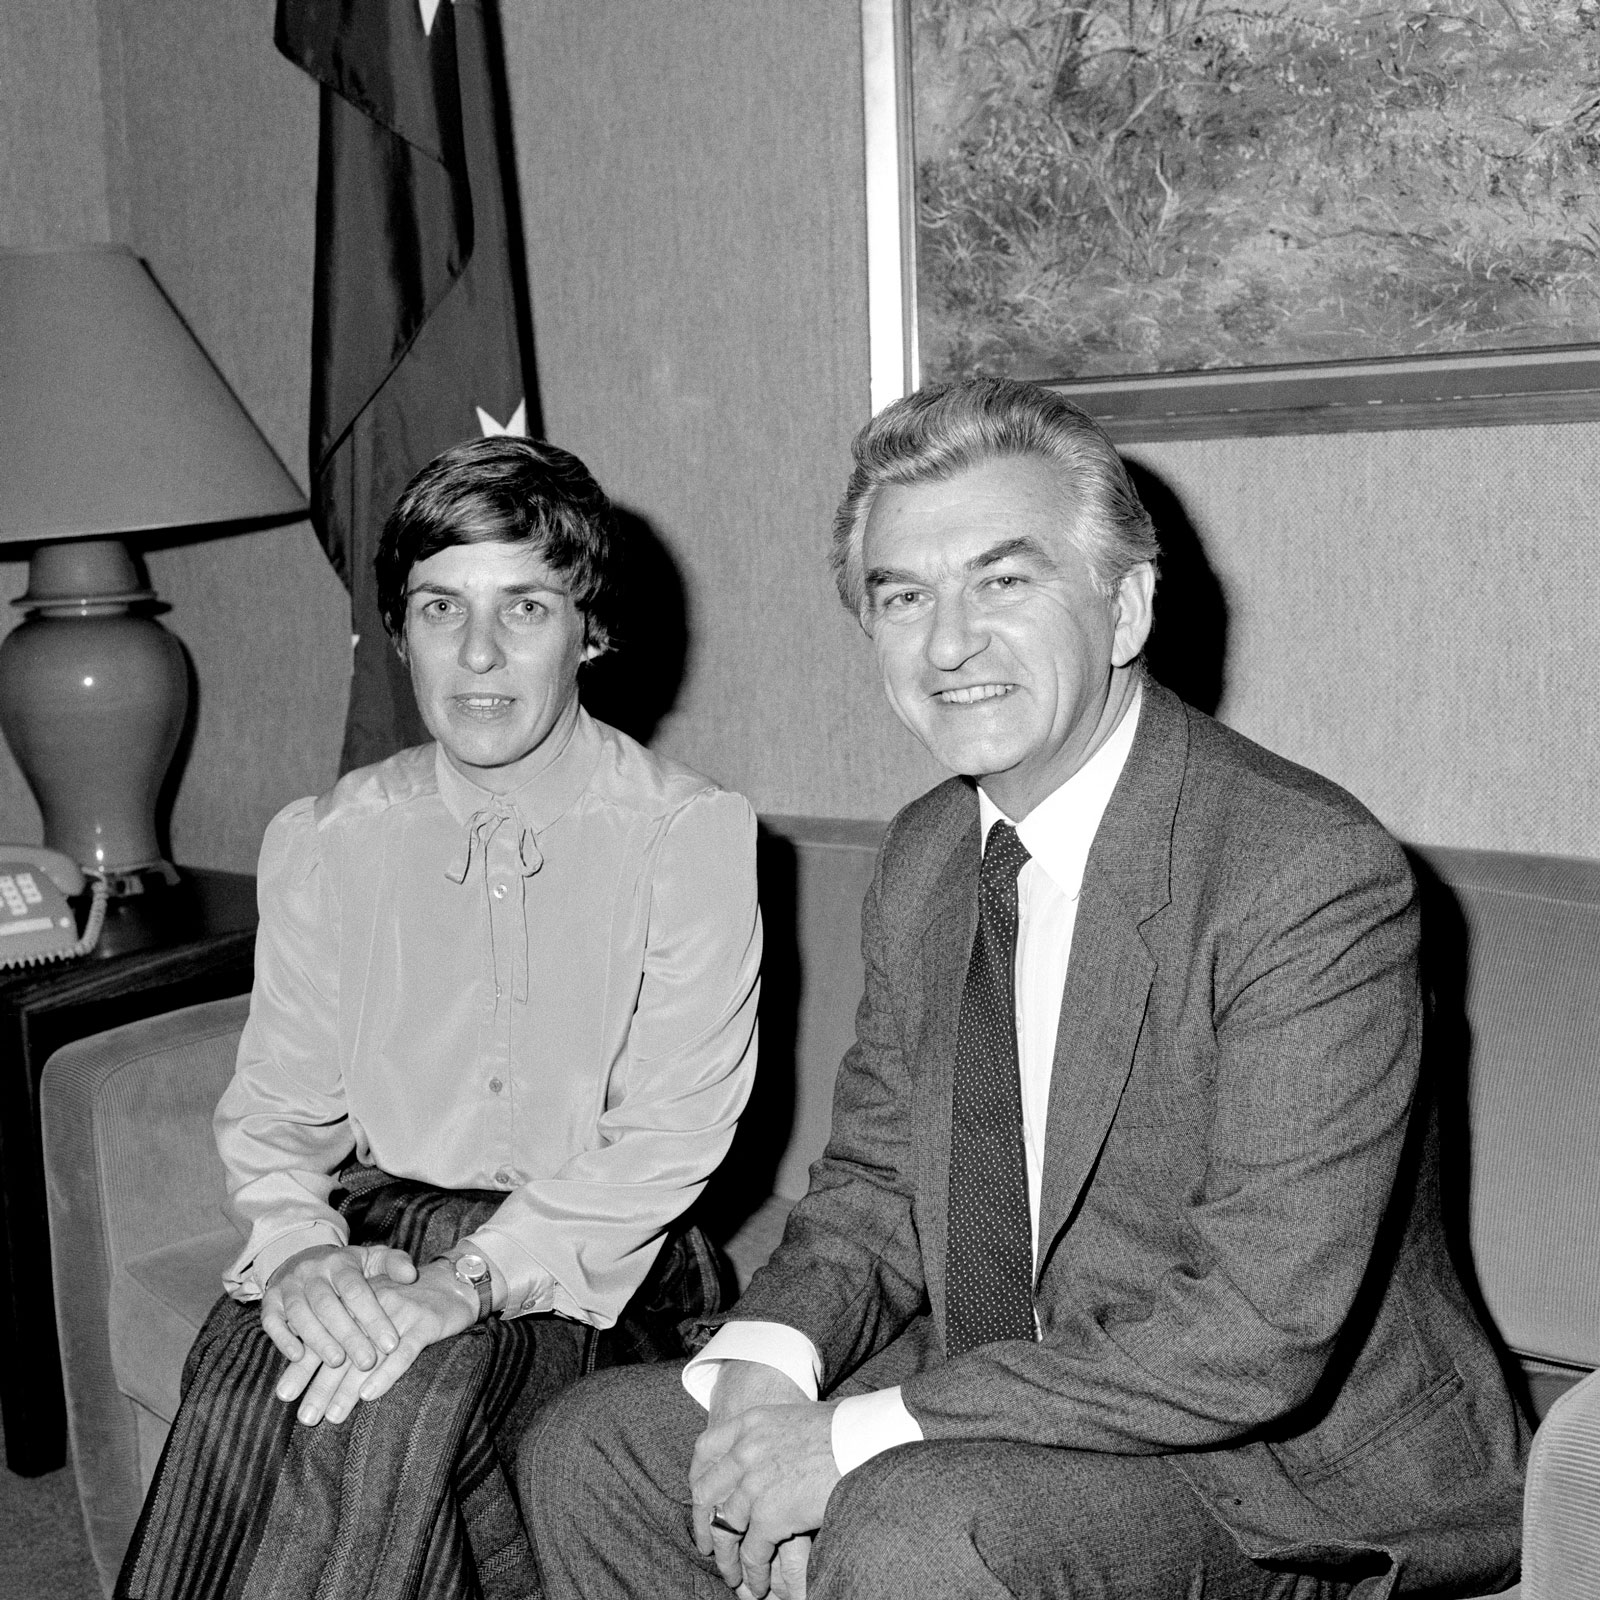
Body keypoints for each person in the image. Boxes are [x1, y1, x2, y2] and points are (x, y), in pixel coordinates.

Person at [523, 379, 1527, 1600]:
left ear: (1125, 606)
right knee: (598, 1449)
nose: (947, 643)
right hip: (1004, 1397)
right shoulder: (929, 855)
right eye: (903, 596)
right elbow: (876, 1183)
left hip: (1273, 1465)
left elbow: (1255, 1332)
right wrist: (764, 1374)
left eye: (1003, 581)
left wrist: (849, 1440)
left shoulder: (1301, 874)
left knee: (912, 1521)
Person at [116, 435, 762, 1600]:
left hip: (597, 1255)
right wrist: (305, 1256)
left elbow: (670, 1139)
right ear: (399, 631)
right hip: (380, 1215)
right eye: (438, 606)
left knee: (398, 1392)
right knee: (260, 1385)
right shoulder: (324, 839)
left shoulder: (688, 835)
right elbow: (276, 1109)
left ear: (590, 631)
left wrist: (460, 1285)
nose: (476, 654)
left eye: (525, 606)